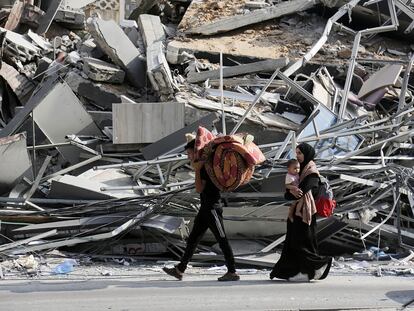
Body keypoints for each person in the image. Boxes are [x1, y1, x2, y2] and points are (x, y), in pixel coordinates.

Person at [163, 137, 240, 282]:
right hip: (205, 209)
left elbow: (199, 188)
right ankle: (180, 269)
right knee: (192, 239)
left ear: (196, 152)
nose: (188, 157)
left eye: (190, 154)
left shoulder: (205, 168)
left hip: (213, 209)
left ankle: (232, 271)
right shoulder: (204, 166)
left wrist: (197, 170)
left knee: (222, 239)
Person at [270, 143, 332, 281]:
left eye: (299, 153)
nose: (296, 156)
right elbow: (289, 193)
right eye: (296, 153)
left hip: (305, 214)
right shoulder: (300, 172)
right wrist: (291, 190)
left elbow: (300, 192)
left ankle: (319, 265)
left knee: (302, 244)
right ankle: (293, 272)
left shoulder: (311, 173)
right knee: (293, 244)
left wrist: (291, 191)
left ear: (307, 154)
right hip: (297, 213)